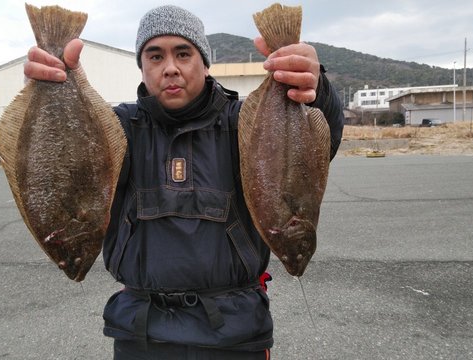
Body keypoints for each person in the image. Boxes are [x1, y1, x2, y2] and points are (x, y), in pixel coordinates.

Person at [25, 5, 344, 359]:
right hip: (140, 334)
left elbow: (317, 146)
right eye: (155, 55)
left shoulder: (244, 125)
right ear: (142, 66)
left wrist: (315, 86)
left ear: (204, 62)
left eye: (183, 53)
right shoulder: (118, 129)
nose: (171, 67)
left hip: (236, 333)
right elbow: (57, 163)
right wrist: (46, 84)